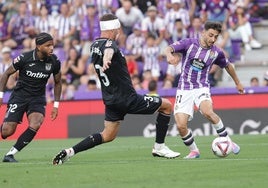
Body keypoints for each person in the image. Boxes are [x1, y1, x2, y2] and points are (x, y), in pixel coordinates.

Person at [52, 13, 180, 165]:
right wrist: (107, 58)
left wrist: (106, 58)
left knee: (108, 135)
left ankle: (70, 151)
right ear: (113, 29)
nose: (119, 32)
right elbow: (109, 50)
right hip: (127, 98)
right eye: (118, 29)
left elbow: (106, 50)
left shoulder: (93, 46)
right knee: (166, 106)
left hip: (111, 100)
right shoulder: (109, 44)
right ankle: (159, 147)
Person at [164, 21, 244, 159]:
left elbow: (228, 66)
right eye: (211, 35)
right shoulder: (189, 43)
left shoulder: (216, 52)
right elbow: (168, 48)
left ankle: (228, 140)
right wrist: (170, 56)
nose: (213, 39)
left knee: (208, 112)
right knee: (181, 126)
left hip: (202, 86)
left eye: (216, 37)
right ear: (203, 32)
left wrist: (238, 82)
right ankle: (194, 151)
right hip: (184, 88)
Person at [0, 32, 62, 162]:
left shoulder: (54, 61)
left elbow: (58, 82)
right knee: (7, 132)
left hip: (37, 98)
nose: (51, 48)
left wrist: (56, 105)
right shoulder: (24, 58)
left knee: (36, 123)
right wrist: (0, 95)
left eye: (52, 45)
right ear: (38, 46)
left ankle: (10, 154)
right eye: (48, 45)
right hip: (19, 96)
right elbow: (6, 74)